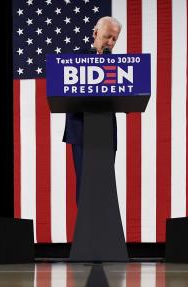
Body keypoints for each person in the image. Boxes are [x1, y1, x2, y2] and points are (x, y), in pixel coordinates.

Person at [63, 16, 122, 204]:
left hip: (106, 133)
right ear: (95, 33)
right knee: (85, 185)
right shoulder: (74, 59)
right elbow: (63, 92)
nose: (110, 43)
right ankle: (86, 231)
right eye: (107, 37)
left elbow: (126, 97)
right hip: (82, 131)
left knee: (104, 186)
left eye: (114, 39)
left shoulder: (119, 66)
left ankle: (103, 231)